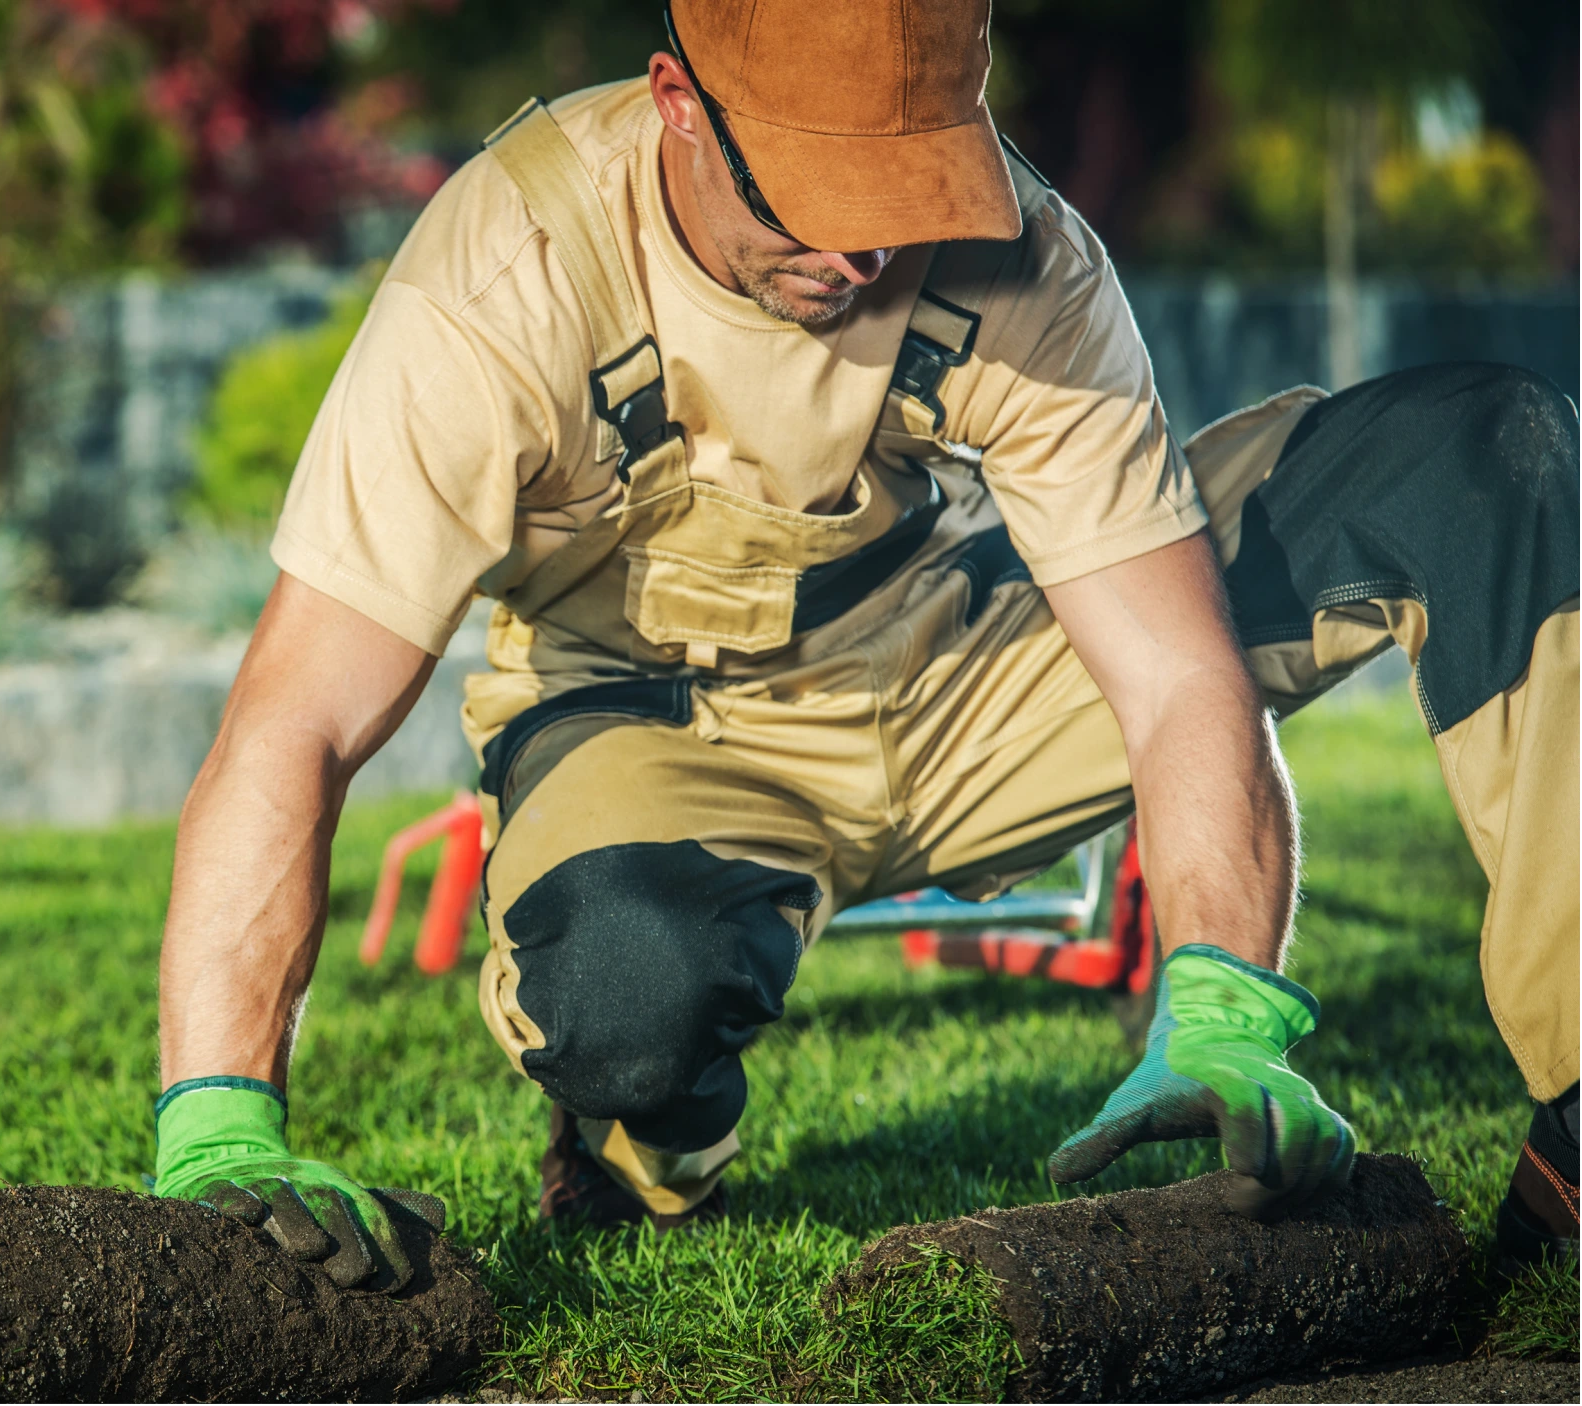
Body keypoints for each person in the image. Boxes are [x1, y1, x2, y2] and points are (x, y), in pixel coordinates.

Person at [146, 0, 1579, 1290]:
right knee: (627, 997)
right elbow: (298, 718)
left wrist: (1218, 1003)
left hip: (959, 661)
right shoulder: (504, 275)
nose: (858, 252)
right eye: (817, 197)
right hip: (656, 721)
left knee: (1482, 454)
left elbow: (1174, 673)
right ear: (677, 103)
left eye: (903, 192)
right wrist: (219, 1116)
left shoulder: (1030, 260)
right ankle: (647, 1141)